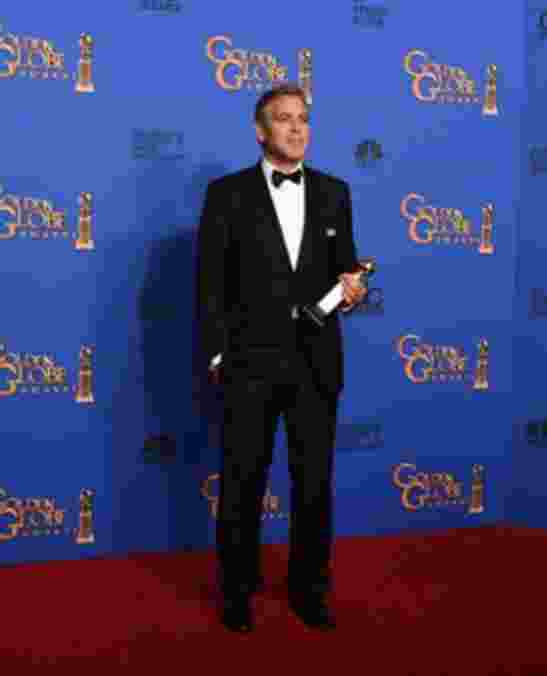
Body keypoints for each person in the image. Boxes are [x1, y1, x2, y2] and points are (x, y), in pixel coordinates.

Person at [197, 83, 366, 633]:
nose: (296, 129)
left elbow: (344, 271)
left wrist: (354, 288)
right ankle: (236, 591)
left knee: (313, 484)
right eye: (283, 119)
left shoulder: (336, 192)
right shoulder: (226, 194)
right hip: (250, 362)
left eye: (302, 119)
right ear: (260, 130)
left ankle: (309, 590)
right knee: (242, 482)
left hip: (317, 364)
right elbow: (210, 285)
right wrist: (220, 355)